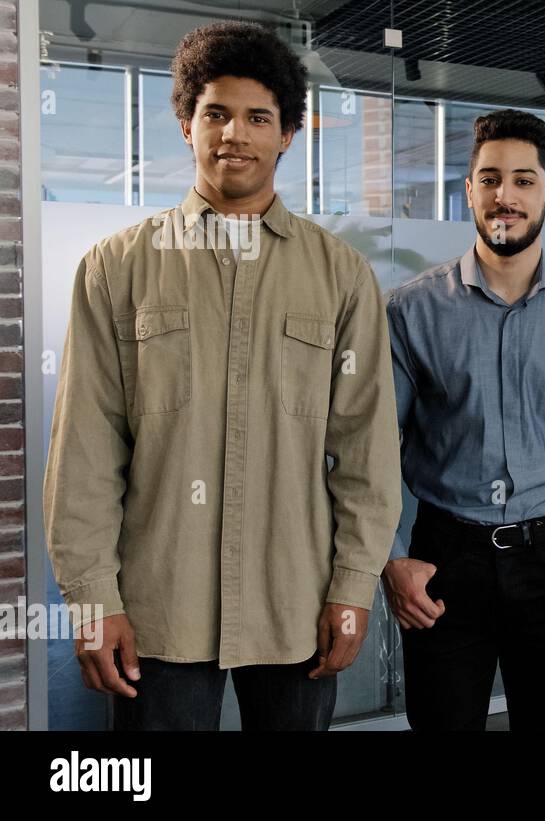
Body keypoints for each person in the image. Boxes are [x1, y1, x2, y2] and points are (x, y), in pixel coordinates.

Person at [43, 21, 403, 730]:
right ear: (186, 126)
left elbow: (364, 451)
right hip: (158, 607)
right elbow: (84, 450)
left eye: (257, 117)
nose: (234, 133)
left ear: (288, 136)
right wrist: (93, 598)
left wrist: (354, 587)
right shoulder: (118, 269)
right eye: (216, 113)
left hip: (294, 603)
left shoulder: (341, 277)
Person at [383, 109, 545, 731]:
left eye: (524, 180)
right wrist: (389, 557)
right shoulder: (411, 312)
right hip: (444, 563)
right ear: (469, 190)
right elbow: (369, 445)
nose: (505, 195)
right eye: (490, 178)